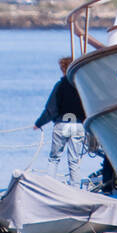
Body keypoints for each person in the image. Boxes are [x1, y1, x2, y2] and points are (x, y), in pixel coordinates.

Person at [34, 56, 86, 187]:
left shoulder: (60, 86)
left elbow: (51, 110)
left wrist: (39, 123)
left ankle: (50, 186)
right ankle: (76, 189)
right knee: (74, 160)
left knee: (54, 158)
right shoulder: (82, 86)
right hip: (78, 124)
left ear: (63, 69)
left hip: (62, 124)